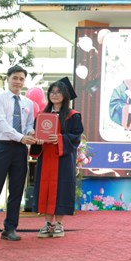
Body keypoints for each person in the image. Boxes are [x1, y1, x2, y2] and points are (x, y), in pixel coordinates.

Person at [0, 65, 37, 244]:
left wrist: (31, 132)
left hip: (20, 150)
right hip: (1, 147)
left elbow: (29, 124)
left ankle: (10, 228)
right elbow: (1, 123)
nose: (18, 82)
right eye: (15, 78)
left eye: (21, 79)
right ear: (8, 79)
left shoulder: (28, 103)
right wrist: (21, 137)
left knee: (17, 190)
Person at [31, 77, 83, 238]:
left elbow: (76, 137)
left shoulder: (73, 116)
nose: (54, 95)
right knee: (45, 188)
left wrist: (60, 138)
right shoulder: (42, 115)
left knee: (61, 188)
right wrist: (37, 140)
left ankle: (59, 223)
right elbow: (36, 133)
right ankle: (47, 223)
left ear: (65, 95)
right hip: (46, 156)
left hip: (63, 158)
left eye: (58, 92)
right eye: (52, 92)